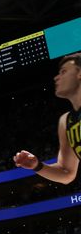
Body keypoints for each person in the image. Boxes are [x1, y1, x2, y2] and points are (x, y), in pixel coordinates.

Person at [13, 53, 81, 183]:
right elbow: (66, 173)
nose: (56, 77)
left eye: (64, 72)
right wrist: (37, 166)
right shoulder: (66, 121)